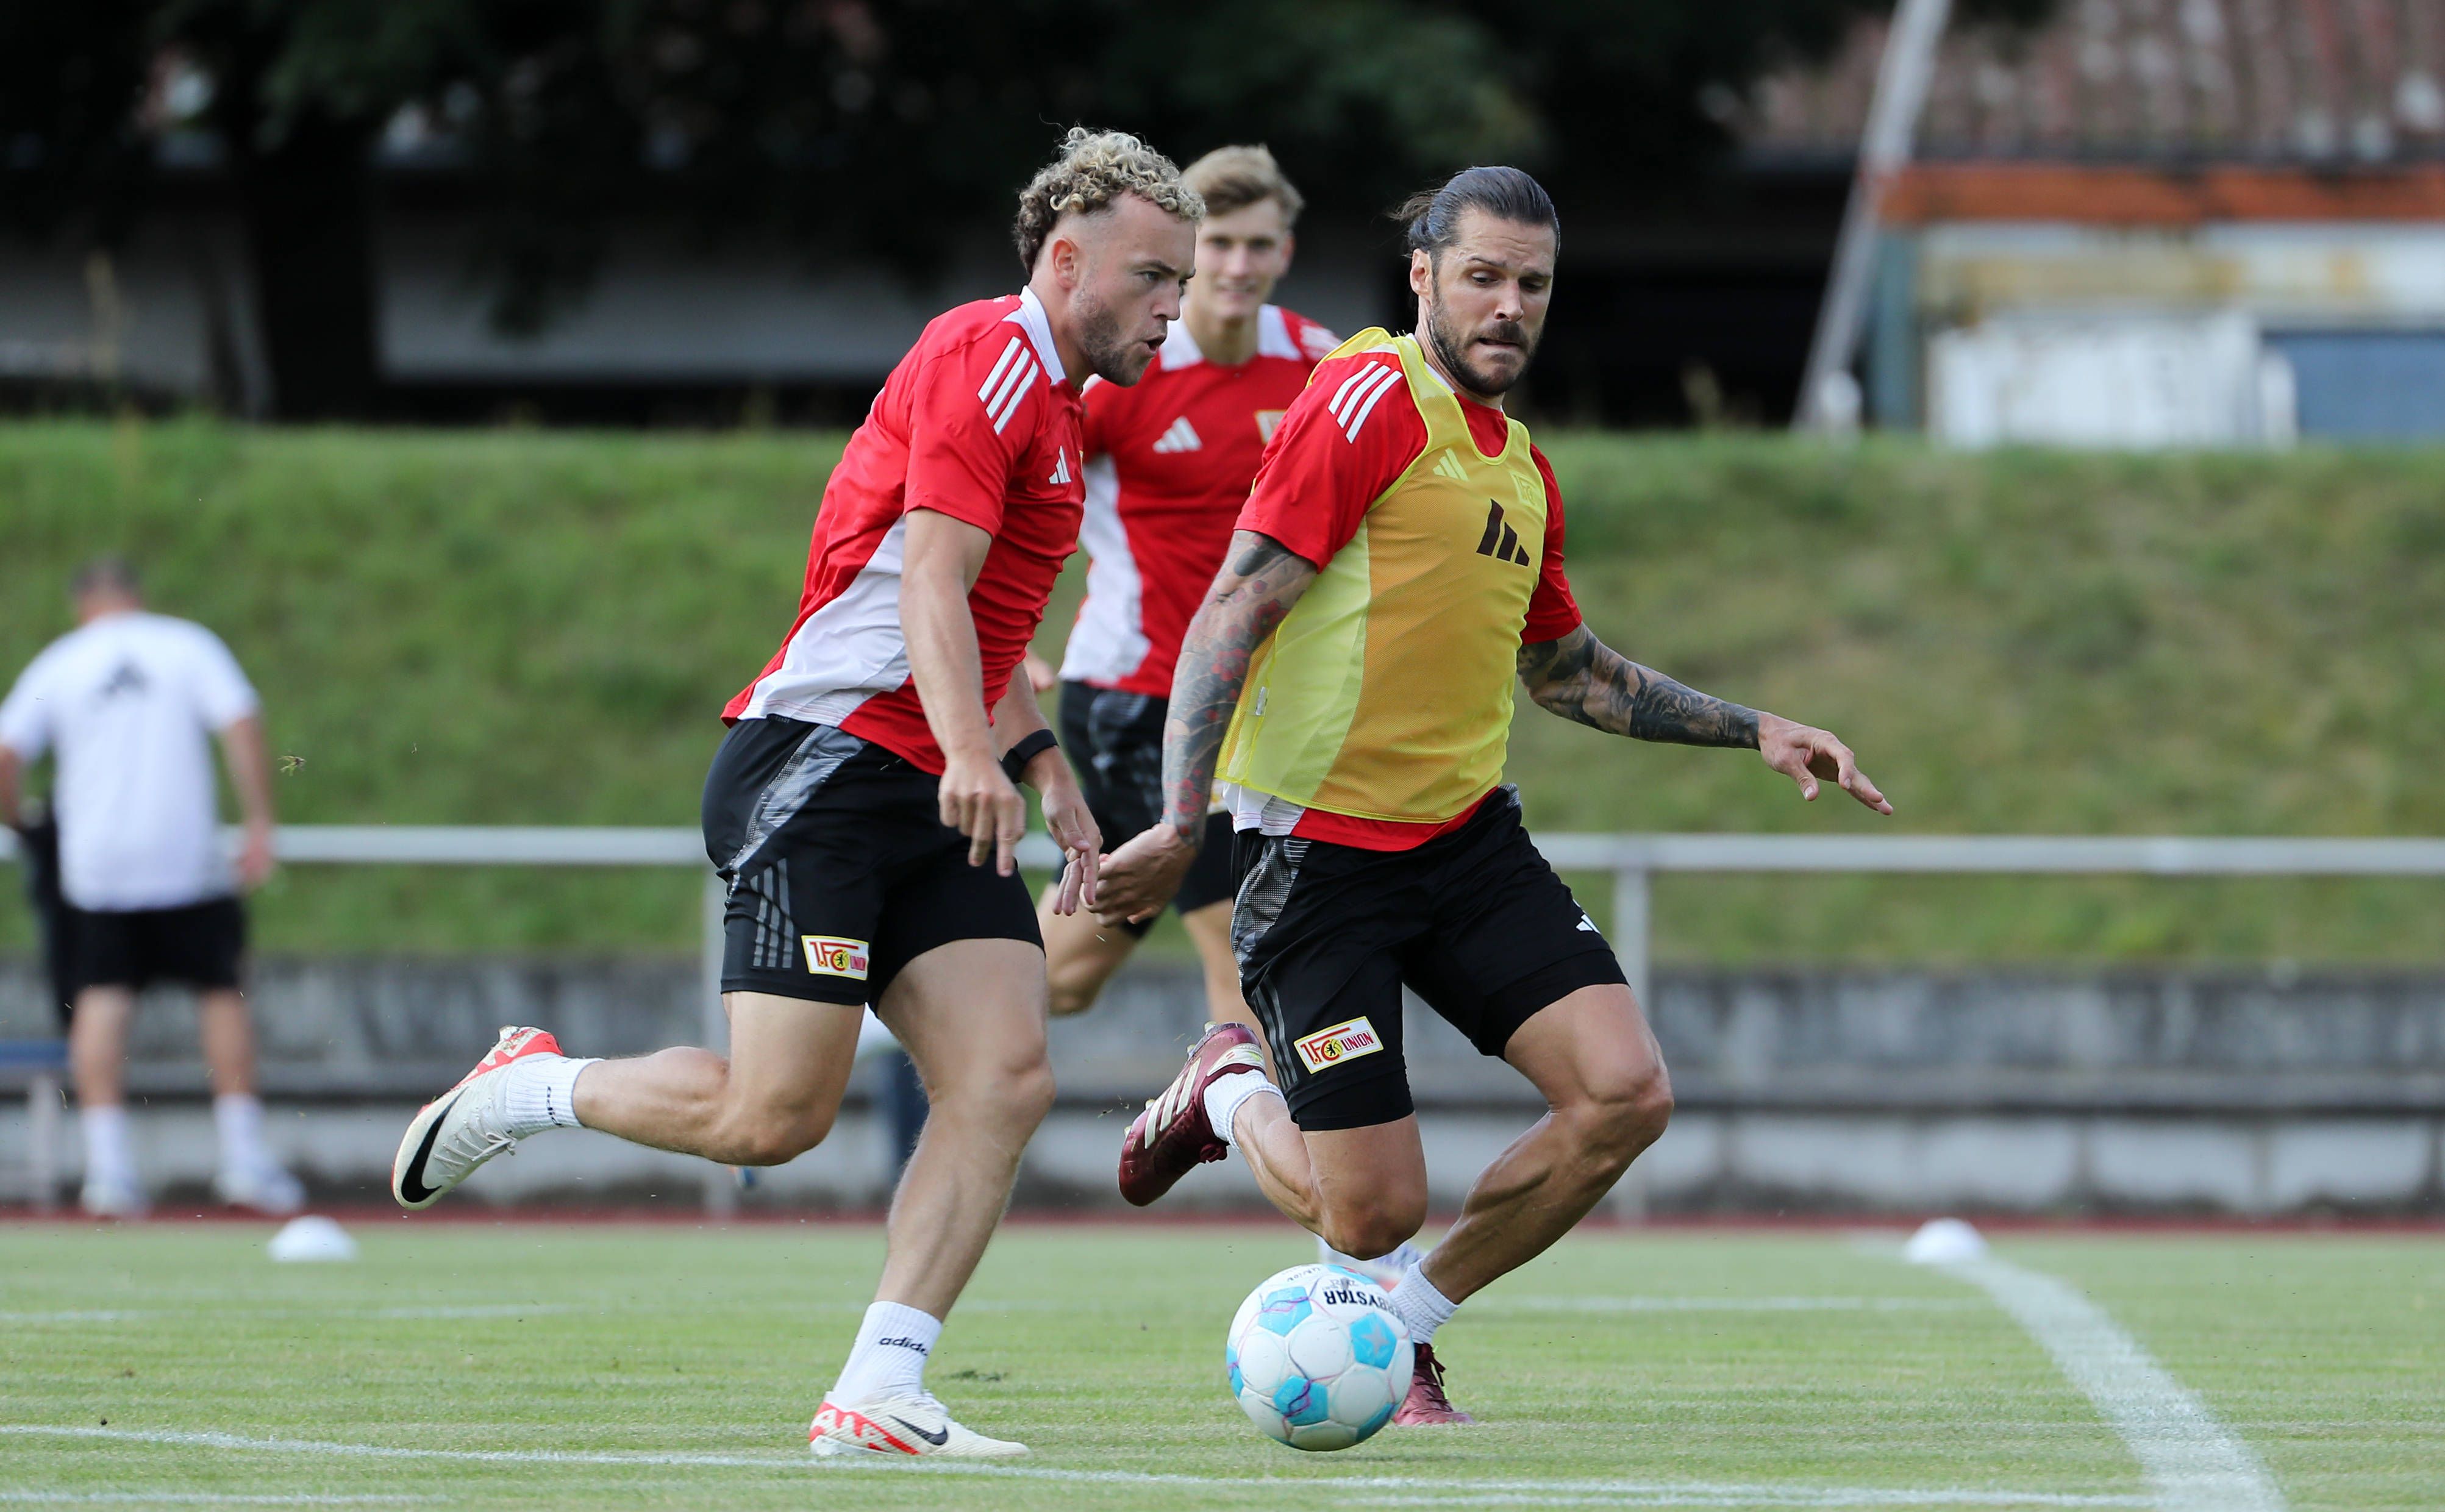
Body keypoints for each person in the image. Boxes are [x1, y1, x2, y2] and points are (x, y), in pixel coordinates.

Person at [388, 127, 1202, 1461]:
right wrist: (967, 756)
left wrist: (1039, 761)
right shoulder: (982, 355)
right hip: (821, 768)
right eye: (1154, 273)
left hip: (936, 773)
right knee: (777, 1117)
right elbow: (926, 585)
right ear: (1067, 262)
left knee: (1002, 1075)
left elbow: (977, 626)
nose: (1176, 301)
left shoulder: (1060, 404)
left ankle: (880, 1389)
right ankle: (531, 1085)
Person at [1094, 166, 1891, 1426]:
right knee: (1369, 1209)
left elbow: (1565, 673)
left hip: (1465, 845)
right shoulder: (1364, 396)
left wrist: (1759, 730)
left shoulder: (1520, 469)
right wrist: (1182, 819)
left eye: (1532, 285)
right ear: (1421, 274)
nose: (1508, 306)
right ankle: (1227, 1087)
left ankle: (1401, 1330)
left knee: (1627, 1095)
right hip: (1319, 859)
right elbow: (1235, 603)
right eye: (1482, 277)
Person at [1041, 144, 1337, 1056]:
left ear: (1285, 250)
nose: (1239, 266)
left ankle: (924, 1003)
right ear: (1187, 253)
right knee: (1243, 936)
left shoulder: (1319, 365)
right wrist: (1000, 637)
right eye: (1221, 246)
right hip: (1133, 698)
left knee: (1069, 974)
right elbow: (1009, 493)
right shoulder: (1127, 370)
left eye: (1261, 244)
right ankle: (1295, 1176)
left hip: (1248, 709)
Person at [0, 557, 299, 1218]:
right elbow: (242, 724)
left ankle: (109, 1172)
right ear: (137, 594)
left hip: (97, 865)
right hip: (184, 853)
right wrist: (258, 821)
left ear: (82, 602)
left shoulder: (62, 661)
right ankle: (243, 1158)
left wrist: (18, 821)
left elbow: (6, 751)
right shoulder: (187, 643)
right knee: (221, 991)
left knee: (101, 997)